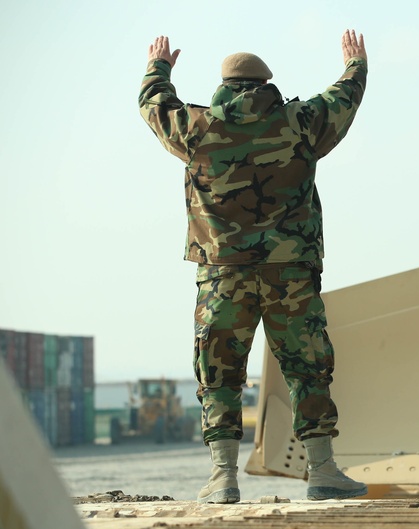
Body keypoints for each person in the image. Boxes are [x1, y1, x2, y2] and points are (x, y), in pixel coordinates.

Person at [139, 30, 369, 504]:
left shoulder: (196, 128)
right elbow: (344, 98)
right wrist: (355, 64)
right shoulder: (301, 122)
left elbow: (153, 105)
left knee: (219, 373)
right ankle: (323, 471)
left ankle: (223, 477)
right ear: (267, 83)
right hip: (290, 272)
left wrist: (159, 67)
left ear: (225, 84)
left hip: (222, 273)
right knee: (308, 369)